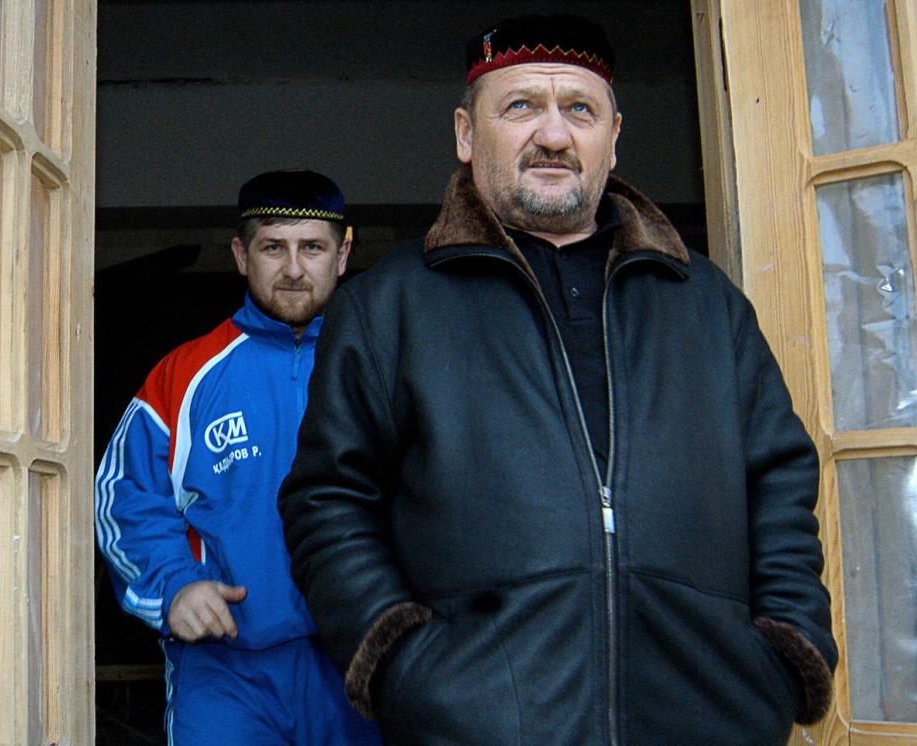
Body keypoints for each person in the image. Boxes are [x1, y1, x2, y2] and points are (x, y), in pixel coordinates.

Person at [278, 15, 839, 746]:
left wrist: (785, 652)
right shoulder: (389, 307)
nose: (552, 134)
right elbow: (329, 501)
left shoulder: (705, 301)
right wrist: (401, 663)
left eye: (580, 109)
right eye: (520, 107)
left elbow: (780, 481)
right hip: (475, 725)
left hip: (712, 719)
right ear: (465, 134)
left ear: (613, 135)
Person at [95, 170, 381, 745]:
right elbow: (124, 497)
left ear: (343, 254)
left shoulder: (382, 366)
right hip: (224, 669)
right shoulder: (184, 375)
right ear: (241, 255)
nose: (294, 268)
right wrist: (175, 585)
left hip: (359, 665)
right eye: (273, 247)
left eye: (313, 248)